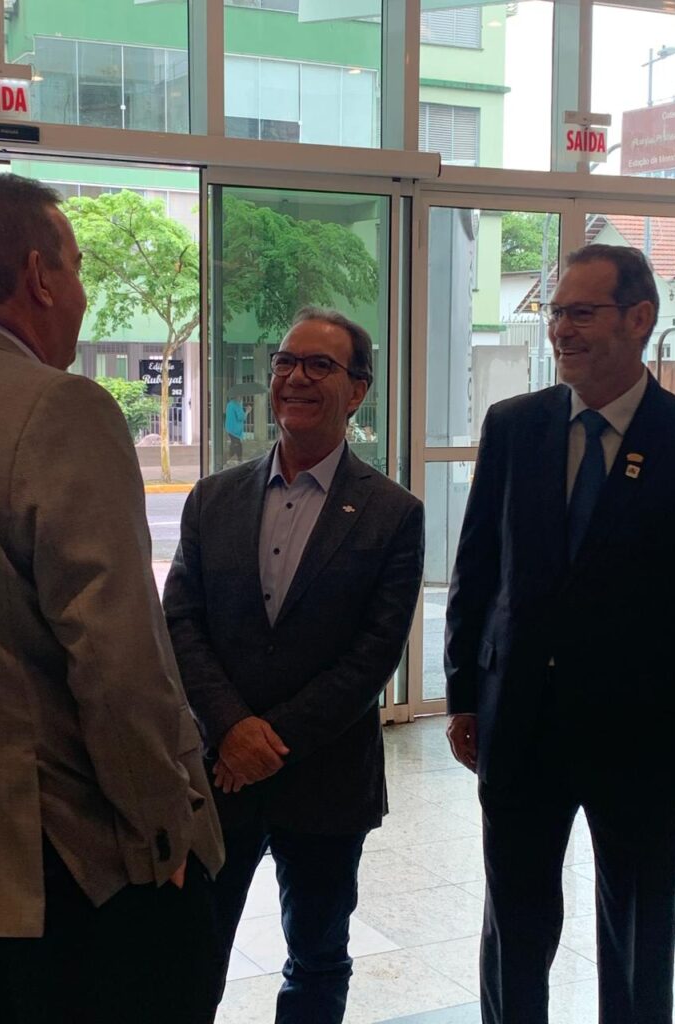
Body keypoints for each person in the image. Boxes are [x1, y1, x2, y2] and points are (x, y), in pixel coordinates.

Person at [0, 173, 224, 1024]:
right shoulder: (59, 411)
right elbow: (119, 664)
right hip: (47, 875)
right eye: (78, 265)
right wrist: (164, 831)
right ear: (38, 275)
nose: (85, 294)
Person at [444, 242, 675, 1024]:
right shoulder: (514, 426)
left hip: (643, 738)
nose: (561, 329)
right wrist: (463, 693)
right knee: (514, 927)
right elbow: (478, 569)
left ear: (641, 319)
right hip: (520, 723)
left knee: (637, 930)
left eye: (581, 312)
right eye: (557, 312)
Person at [164, 306, 424, 1023]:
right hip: (219, 774)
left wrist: (266, 743)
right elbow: (180, 620)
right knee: (192, 953)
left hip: (326, 781)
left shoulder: (393, 513)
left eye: (320, 365)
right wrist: (230, 729)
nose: (296, 378)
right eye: (286, 361)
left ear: (358, 390)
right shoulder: (214, 497)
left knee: (316, 957)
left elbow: (374, 653)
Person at [225, 395, 246, 463]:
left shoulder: (229, 404)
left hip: (229, 429)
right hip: (235, 430)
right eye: (240, 397)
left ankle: (229, 458)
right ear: (237, 397)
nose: (241, 398)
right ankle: (239, 460)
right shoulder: (236, 405)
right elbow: (241, 417)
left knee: (234, 444)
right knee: (238, 445)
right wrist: (247, 411)